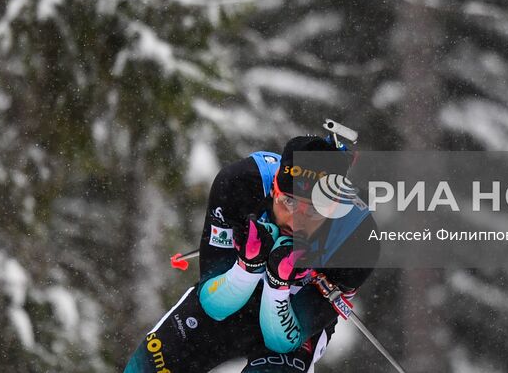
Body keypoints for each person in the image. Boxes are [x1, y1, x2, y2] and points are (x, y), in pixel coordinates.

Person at [121, 134, 378, 372]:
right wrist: (247, 266)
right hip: (231, 294)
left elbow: (281, 341)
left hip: (292, 315)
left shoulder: (357, 238)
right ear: (273, 190)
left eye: (313, 211)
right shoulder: (242, 182)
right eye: (288, 202)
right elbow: (213, 305)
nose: (295, 221)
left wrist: (278, 284)